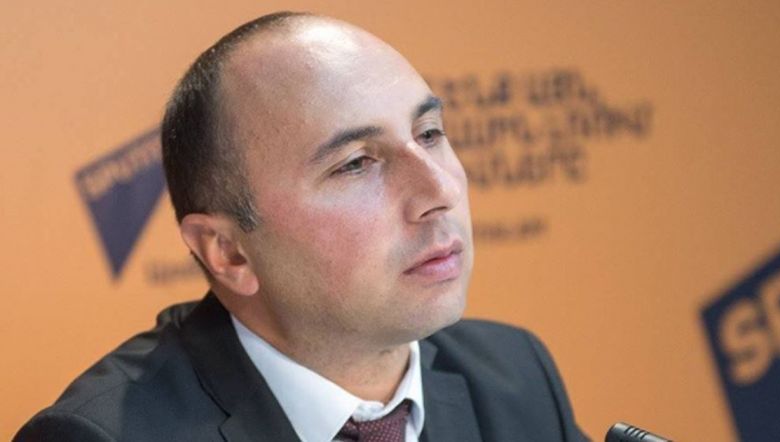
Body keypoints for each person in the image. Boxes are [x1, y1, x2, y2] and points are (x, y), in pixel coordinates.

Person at [15, 12, 588, 442]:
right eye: (356, 163)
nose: (440, 191)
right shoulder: (98, 436)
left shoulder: (515, 375)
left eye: (429, 134)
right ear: (228, 251)